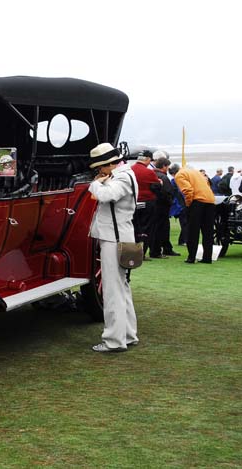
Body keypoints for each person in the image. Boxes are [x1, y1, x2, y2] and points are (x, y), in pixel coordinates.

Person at [87, 143, 138, 352]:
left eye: (100, 167)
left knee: (112, 290)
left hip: (114, 238)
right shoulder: (127, 174)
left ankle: (114, 340)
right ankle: (128, 334)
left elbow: (106, 195)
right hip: (122, 235)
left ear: (109, 164)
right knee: (122, 287)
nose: (99, 171)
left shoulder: (122, 177)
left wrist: (96, 184)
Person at [174, 165, 215, 264]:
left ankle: (191, 257)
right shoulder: (197, 172)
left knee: (193, 231)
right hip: (210, 200)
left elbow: (188, 190)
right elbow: (208, 183)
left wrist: (188, 204)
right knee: (208, 232)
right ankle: (207, 257)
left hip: (197, 201)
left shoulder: (179, 175)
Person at [131, 150, 161, 257]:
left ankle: (134, 250)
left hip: (133, 202)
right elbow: (157, 185)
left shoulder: (131, 170)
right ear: (148, 159)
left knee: (134, 226)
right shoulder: (149, 172)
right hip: (148, 202)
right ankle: (142, 253)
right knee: (147, 228)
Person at [150, 157, 179, 257]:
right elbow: (167, 193)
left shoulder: (152, 175)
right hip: (162, 207)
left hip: (154, 206)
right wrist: (170, 202)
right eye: (167, 166)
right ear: (164, 166)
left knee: (155, 229)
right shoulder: (163, 177)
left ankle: (160, 249)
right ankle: (158, 251)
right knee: (162, 229)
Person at [169, 164, 188, 246]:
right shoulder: (175, 181)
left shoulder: (174, 181)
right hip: (180, 205)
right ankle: (183, 240)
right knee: (185, 223)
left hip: (180, 204)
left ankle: (183, 240)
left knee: (185, 223)